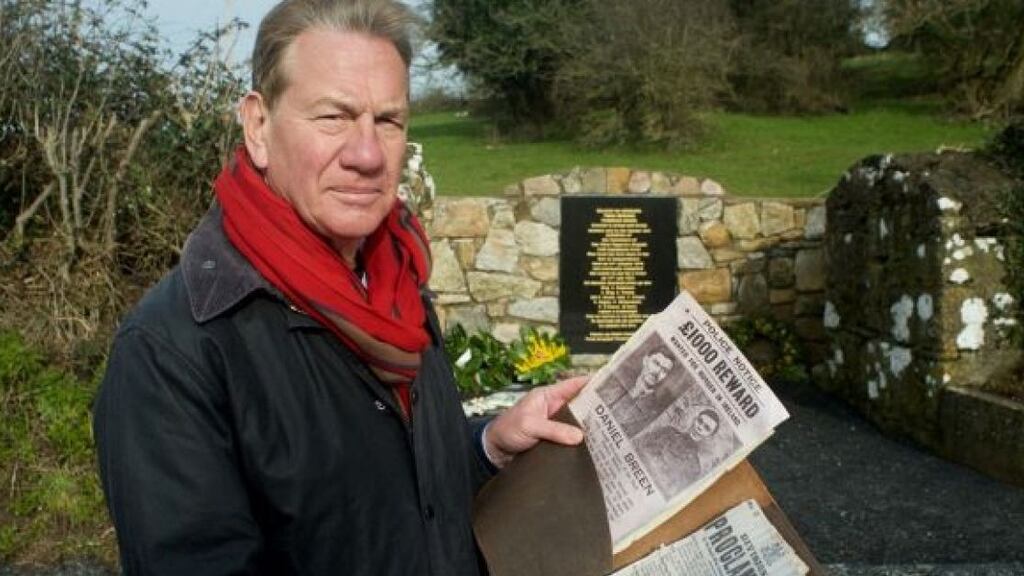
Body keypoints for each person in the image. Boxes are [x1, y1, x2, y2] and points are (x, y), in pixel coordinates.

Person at [92, 1, 585, 574]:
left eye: (389, 121)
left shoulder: (398, 292)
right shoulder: (173, 353)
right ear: (258, 126)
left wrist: (488, 448)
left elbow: (396, 505)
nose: (368, 155)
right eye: (333, 117)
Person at [637, 406, 722, 496]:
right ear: (695, 419)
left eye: (707, 428)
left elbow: (672, 492)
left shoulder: (694, 467)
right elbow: (640, 444)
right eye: (700, 421)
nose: (700, 427)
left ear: (709, 436)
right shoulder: (667, 431)